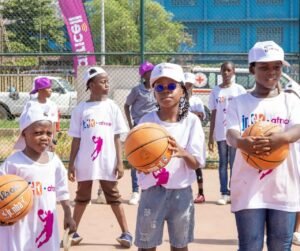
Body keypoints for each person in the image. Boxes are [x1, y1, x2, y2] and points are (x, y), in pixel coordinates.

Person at [226, 40, 300, 250]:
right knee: (250, 245)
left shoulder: (291, 101)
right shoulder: (238, 102)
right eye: (264, 67)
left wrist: (282, 138)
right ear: (252, 69)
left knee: (281, 246)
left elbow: (298, 129)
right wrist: (242, 142)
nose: (271, 72)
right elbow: (231, 134)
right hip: (248, 189)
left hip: (283, 187)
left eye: (276, 67)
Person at [134, 63, 206, 250]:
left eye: (171, 86)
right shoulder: (146, 122)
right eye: (159, 87)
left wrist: (182, 152)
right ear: (154, 92)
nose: (166, 91)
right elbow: (136, 160)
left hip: (180, 192)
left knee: (180, 246)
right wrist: (142, 164)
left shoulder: (191, 122)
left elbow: (196, 163)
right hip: (151, 191)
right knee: (146, 246)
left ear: (182, 90)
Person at [68, 66, 133, 248]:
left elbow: (117, 136)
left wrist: (120, 162)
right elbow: (76, 139)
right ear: (91, 85)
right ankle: (72, 233)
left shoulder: (111, 107)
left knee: (114, 196)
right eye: (102, 81)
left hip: (107, 162)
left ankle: (126, 233)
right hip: (85, 163)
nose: (106, 84)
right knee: (82, 197)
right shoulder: (81, 109)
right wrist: (71, 164)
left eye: (107, 81)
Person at [0, 106, 76, 251]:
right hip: (19, 225)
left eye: (49, 133)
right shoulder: (13, 163)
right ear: (24, 134)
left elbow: (62, 190)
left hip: (46, 221)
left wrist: (68, 214)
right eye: (38, 133)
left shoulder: (54, 161)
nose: (45, 137)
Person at [208, 61, 246, 205]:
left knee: (235, 163)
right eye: (223, 70)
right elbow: (213, 112)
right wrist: (211, 135)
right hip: (221, 132)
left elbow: (245, 112)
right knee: (223, 163)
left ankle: (234, 192)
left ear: (234, 72)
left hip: (235, 132)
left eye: (229, 70)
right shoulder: (216, 91)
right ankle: (224, 192)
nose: (226, 73)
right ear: (220, 72)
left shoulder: (239, 90)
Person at [124, 61, 157, 205]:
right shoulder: (137, 90)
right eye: (149, 72)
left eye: (153, 71)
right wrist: (131, 124)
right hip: (139, 126)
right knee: (136, 160)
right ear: (144, 75)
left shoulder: (157, 89)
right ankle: (136, 191)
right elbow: (127, 105)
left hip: (153, 128)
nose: (152, 74)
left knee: (154, 158)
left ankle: (150, 189)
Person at [16, 77, 59, 151]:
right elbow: (24, 123)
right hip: (34, 141)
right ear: (40, 89)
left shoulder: (53, 105)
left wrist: (53, 141)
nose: (51, 90)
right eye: (48, 88)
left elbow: (54, 124)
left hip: (47, 141)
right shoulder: (31, 105)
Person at [184, 72, 206, 203]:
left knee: (196, 164)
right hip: (182, 135)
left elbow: (201, 116)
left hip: (194, 135)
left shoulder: (196, 101)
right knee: (182, 163)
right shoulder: (178, 100)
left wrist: (192, 114)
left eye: (189, 85)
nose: (187, 87)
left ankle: (201, 193)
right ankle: (184, 191)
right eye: (185, 85)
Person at [284, 81, 300, 246]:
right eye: (287, 93)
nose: (290, 97)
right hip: (281, 166)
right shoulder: (279, 114)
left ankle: (296, 231)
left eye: (293, 94)